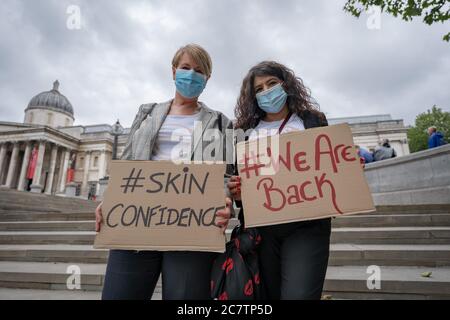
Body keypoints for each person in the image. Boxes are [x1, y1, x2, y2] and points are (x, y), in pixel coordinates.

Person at [95, 44, 234, 300]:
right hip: (136, 221)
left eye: (199, 71)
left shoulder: (220, 122)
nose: (191, 75)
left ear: (207, 79)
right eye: (185, 68)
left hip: (191, 226)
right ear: (173, 71)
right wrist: (110, 200)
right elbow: (127, 162)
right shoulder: (147, 113)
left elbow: (224, 175)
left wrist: (225, 204)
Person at [228, 61, 331, 300]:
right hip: (261, 229)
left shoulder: (312, 120)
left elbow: (328, 164)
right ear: (253, 97)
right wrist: (236, 190)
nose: (267, 91)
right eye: (259, 88)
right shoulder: (243, 130)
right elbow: (235, 176)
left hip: (307, 225)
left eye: (272, 83)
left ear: (286, 84)